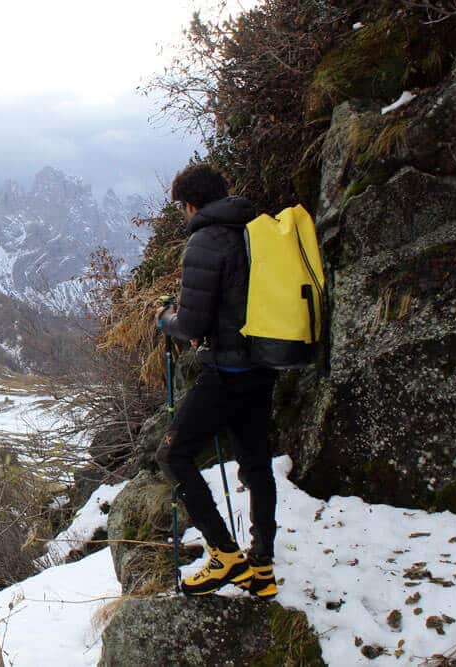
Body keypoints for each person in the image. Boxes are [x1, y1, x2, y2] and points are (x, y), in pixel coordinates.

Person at [154, 164, 279, 598]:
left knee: (173, 455)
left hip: (225, 372)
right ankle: (261, 565)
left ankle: (224, 554)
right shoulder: (256, 231)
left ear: (190, 205)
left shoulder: (205, 241)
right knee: (257, 465)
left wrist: (164, 318)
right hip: (262, 367)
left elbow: (191, 324)